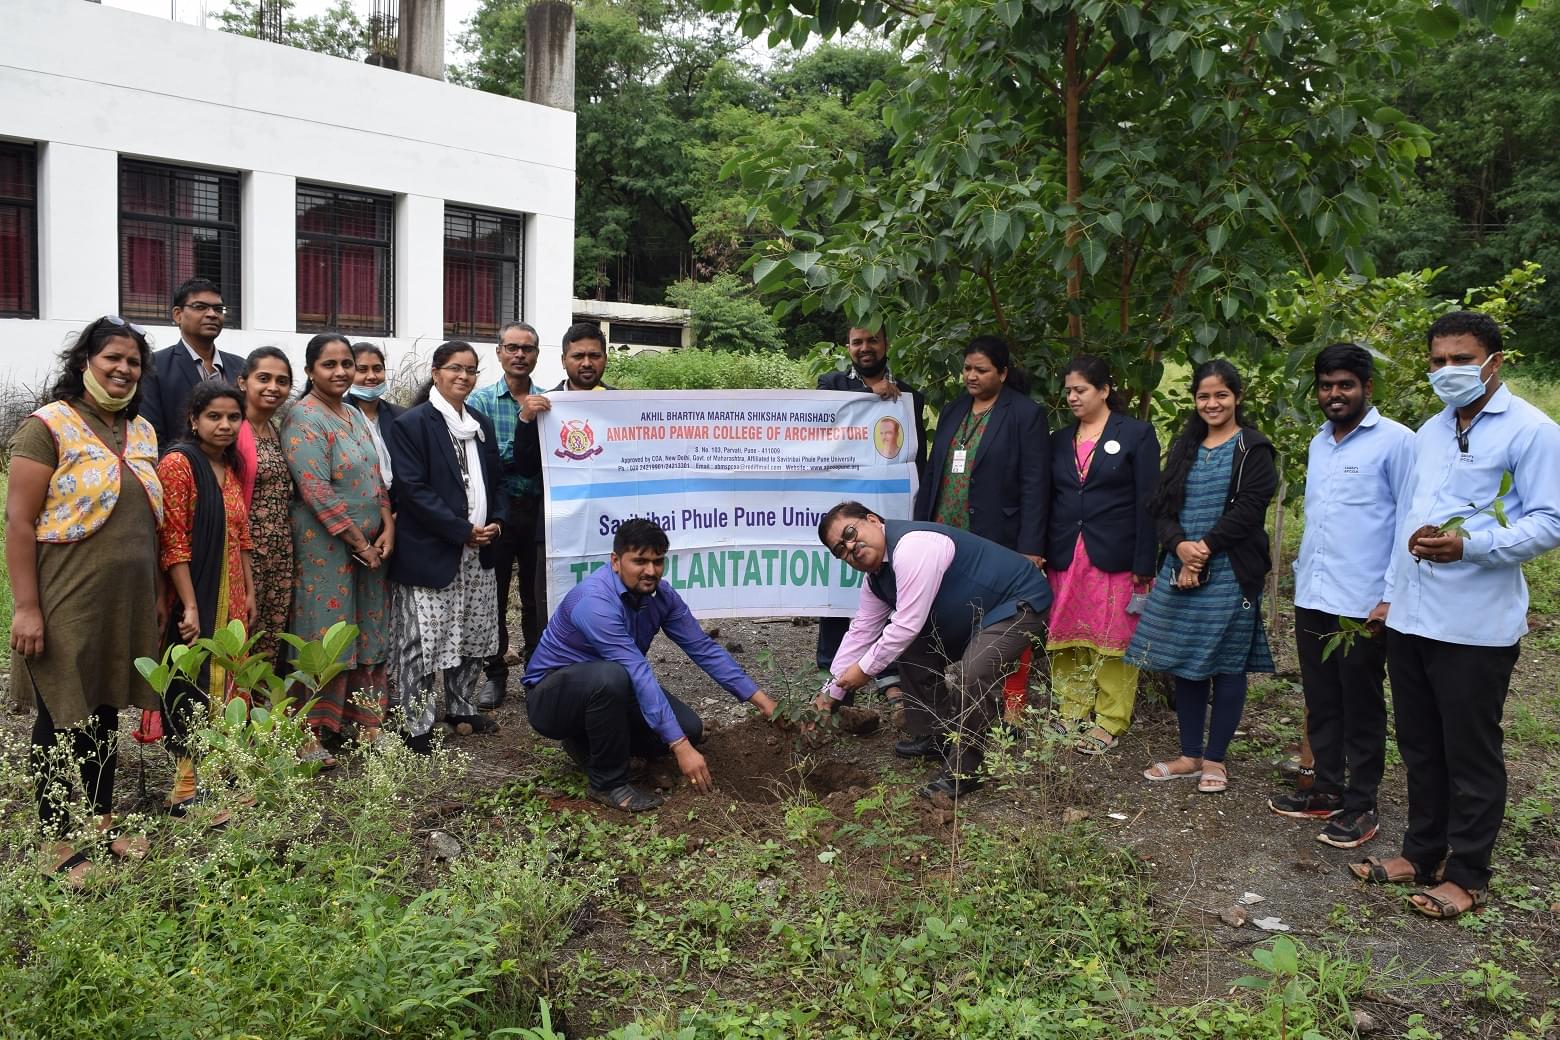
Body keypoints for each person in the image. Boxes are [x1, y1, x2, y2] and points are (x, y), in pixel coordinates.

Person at [1350, 312, 1560, 919]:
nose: (1447, 371)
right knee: (1419, 743)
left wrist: (1471, 546)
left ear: (1495, 361)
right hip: (1413, 617)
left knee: (1469, 749)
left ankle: (1466, 873)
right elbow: (1406, 520)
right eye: (1438, 360)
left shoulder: (1532, 431)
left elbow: (1549, 520)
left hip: (1475, 623)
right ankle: (1421, 852)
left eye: (1460, 360)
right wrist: (1390, 594)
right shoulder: (1431, 430)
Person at [7, 317, 164, 884]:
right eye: (112, 359)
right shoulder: (47, 426)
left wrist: (160, 594)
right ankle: (55, 841)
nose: (123, 370)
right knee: (59, 713)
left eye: (133, 362)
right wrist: (27, 608)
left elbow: (149, 520)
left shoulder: (142, 431)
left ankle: (101, 822)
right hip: (67, 592)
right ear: (85, 363)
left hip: (126, 598)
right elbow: (19, 523)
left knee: (103, 710)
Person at [523, 519, 780, 812]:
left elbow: (703, 649)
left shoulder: (661, 596)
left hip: (612, 686)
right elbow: (635, 669)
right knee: (613, 677)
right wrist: (680, 747)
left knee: (689, 727)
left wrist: (762, 702)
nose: (650, 571)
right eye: (640, 561)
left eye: (658, 561)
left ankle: (587, 744)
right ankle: (607, 782)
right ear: (616, 561)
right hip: (552, 700)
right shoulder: (594, 602)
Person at [1268, 344, 1414, 848]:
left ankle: (1362, 804)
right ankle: (1326, 789)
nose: (1335, 394)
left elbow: (1407, 525)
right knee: (1322, 699)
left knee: (1362, 702)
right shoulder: (1319, 442)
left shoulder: (1397, 443)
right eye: (1327, 385)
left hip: (1363, 603)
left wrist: (1390, 597)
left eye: (1345, 385)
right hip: (1315, 594)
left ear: (1367, 388)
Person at [813, 503, 1051, 799]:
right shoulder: (875, 580)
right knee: (908, 646)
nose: (851, 547)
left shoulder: (913, 546)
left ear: (872, 520)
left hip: (1015, 604)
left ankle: (966, 771)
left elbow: (906, 624)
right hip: (971, 617)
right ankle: (935, 735)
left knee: (974, 671)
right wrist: (829, 694)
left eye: (850, 533)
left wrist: (863, 671)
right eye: (841, 551)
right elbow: (860, 633)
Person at [1126, 359, 1277, 795]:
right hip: (1181, 566)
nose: (1212, 403)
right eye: (1204, 396)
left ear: (1237, 397)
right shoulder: (1186, 445)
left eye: (1221, 395)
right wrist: (1180, 548)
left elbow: (1249, 510)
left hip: (1230, 570)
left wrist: (1203, 553)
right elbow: (1162, 505)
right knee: (1185, 663)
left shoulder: (1253, 448)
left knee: (1228, 665)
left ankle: (1215, 760)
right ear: (1195, 401)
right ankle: (1190, 754)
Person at [916, 335, 1051, 720]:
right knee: (946, 613)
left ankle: (1011, 707)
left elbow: (1035, 484)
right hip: (946, 531)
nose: (971, 376)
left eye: (981, 370)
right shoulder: (954, 410)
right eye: (967, 369)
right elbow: (934, 474)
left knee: (1003, 620)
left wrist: (1031, 547)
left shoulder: (1025, 414)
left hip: (998, 537)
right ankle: (952, 700)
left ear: (1003, 373)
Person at [387, 342, 507, 753]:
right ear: (436, 372)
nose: (464, 376)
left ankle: (461, 707)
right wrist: (461, 529)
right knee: (420, 641)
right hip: (432, 550)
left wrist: (497, 521)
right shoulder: (412, 424)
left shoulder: (480, 423)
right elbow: (412, 490)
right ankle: (414, 725)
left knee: (474, 635)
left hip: (479, 551)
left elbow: (498, 483)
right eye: (455, 368)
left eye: (472, 370)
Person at [282, 333, 395, 765]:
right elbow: (315, 489)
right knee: (323, 630)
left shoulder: (352, 413)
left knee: (369, 629)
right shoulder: (303, 417)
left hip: (371, 550)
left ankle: (365, 723)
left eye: (347, 363)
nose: (342, 372)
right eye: (330, 365)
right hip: (324, 548)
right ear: (310, 371)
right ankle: (308, 732)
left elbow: (376, 476)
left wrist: (387, 529)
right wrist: (359, 541)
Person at [1045, 356, 1160, 754]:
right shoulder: (1059, 439)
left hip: (1115, 555)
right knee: (1068, 635)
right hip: (1066, 554)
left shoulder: (1136, 435)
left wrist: (1146, 562)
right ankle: (1071, 710)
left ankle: (1110, 720)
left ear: (1105, 390)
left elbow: (1149, 502)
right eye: (1069, 391)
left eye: (1081, 390)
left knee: (1113, 639)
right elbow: (1050, 498)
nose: (1073, 398)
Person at [814, 325, 930, 706]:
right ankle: (834, 675)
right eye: (856, 342)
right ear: (847, 346)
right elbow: (817, 424)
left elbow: (918, 460)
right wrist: (868, 397)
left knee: (889, 588)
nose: (864, 349)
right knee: (838, 588)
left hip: (887, 508)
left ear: (887, 343)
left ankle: (890, 674)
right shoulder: (830, 385)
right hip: (841, 508)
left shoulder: (910, 395)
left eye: (872, 341)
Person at [156, 383, 254, 820]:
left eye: (233, 417)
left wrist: (249, 593)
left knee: (227, 680)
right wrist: (190, 605)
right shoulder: (179, 464)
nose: (225, 425)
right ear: (194, 418)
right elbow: (173, 539)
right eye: (215, 416)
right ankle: (186, 787)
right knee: (191, 680)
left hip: (231, 592)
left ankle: (217, 774)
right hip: (195, 590)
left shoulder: (228, 468)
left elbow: (242, 537)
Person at [514, 322, 616, 628]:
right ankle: (554, 672)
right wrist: (526, 420)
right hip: (557, 529)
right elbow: (525, 467)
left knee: (610, 606)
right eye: (578, 356)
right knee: (553, 607)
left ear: (605, 358)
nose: (586, 362)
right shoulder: (544, 405)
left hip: (610, 526)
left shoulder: (624, 404)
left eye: (594, 355)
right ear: (563, 360)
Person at [467, 320, 544, 710]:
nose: (519, 355)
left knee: (536, 597)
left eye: (527, 349)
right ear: (498, 352)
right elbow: (489, 462)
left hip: (539, 513)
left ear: (537, 355)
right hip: (497, 513)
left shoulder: (550, 400)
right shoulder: (479, 403)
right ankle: (495, 674)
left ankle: (536, 673)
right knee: (492, 597)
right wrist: (525, 426)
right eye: (511, 347)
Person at [234, 347, 297, 670]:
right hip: (245, 551)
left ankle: (260, 712)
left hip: (279, 549)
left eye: (282, 381)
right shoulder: (231, 429)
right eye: (264, 378)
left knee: (270, 634)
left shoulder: (278, 429)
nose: (274, 387)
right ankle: (231, 713)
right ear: (243, 382)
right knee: (242, 629)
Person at [140, 277, 245, 453]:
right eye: (200, 307)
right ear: (177, 314)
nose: (212, 314)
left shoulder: (240, 366)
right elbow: (151, 434)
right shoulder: (155, 365)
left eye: (218, 309)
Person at [347, 342, 404, 496]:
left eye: (377, 369)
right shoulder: (336, 417)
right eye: (362, 370)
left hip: (400, 510)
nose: (371, 376)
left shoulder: (401, 417)